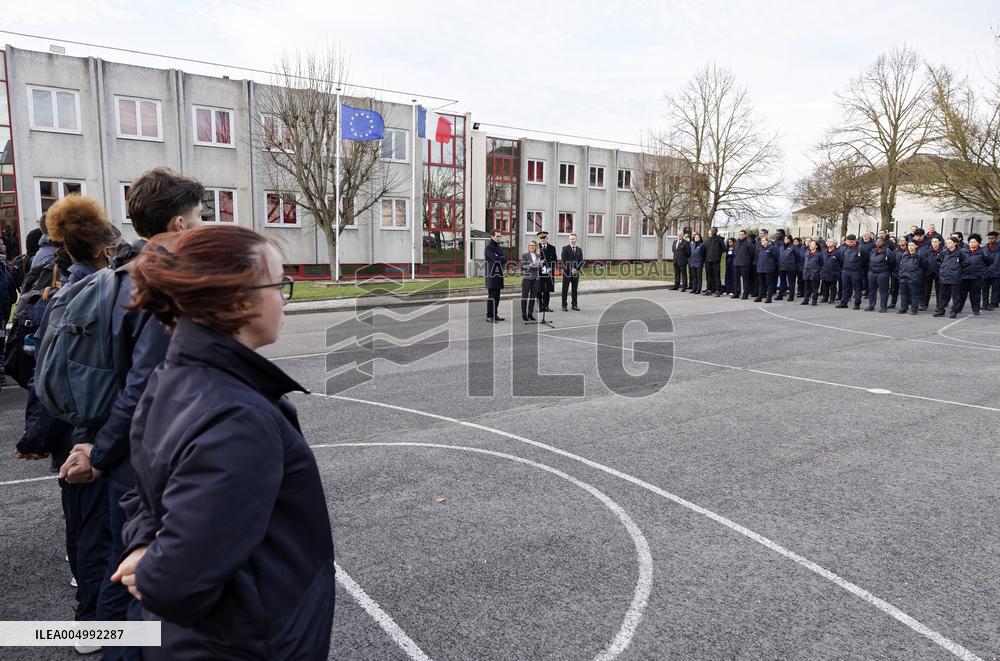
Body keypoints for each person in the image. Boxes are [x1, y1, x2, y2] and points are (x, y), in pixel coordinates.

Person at [108, 225, 335, 660]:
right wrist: (151, 567)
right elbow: (177, 581)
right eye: (278, 285)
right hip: (242, 644)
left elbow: (146, 491)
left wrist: (142, 545)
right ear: (238, 301)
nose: (285, 299)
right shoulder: (237, 419)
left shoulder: (174, 376)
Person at [52, 169, 205, 661]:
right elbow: (144, 386)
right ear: (179, 224)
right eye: (200, 216)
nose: (202, 225)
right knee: (139, 580)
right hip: (143, 455)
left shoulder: (120, 274)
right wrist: (101, 453)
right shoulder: (159, 281)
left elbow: (107, 373)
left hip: (118, 447)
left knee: (119, 566)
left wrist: (93, 441)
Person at [16, 196, 120, 653]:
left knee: (80, 525)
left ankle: (88, 616)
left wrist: (37, 434)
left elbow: (38, 373)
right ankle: (93, 622)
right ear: (105, 250)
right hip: (95, 428)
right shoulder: (103, 294)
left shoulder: (58, 292)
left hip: (66, 426)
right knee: (101, 529)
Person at [955, 233, 991, 316]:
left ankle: (976, 309)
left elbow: (988, 262)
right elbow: (959, 262)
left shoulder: (983, 252)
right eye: (970, 242)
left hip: (976, 277)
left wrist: (981, 271)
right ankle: (958, 308)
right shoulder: (963, 251)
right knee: (961, 294)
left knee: (975, 294)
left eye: (974, 242)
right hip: (964, 276)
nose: (972, 244)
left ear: (978, 243)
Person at [934, 237, 965, 318]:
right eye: (946, 243)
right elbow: (938, 260)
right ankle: (941, 310)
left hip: (955, 277)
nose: (947, 244)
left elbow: (965, 262)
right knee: (942, 295)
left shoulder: (960, 252)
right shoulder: (944, 252)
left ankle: (954, 311)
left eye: (949, 242)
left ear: (955, 243)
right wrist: (943, 268)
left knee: (955, 296)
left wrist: (957, 268)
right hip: (944, 276)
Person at [836, 234, 866, 310]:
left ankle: (857, 303)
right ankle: (844, 302)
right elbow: (842, 259)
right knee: (845, 287)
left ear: (855, 241)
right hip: (846, 270)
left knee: (857, 288)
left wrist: (859, 267)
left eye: (852, 241)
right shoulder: (845, 249)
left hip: (856, 271)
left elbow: (865, 260)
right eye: (849, 241)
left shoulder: (860, 249)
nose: (850, 243)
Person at [865, 237, 895, 312]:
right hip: (872, 273)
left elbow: (892, 263)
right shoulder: (873, 250)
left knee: (883, 291)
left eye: (880, 241)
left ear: (884, 243)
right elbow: (869, 261)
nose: (878, 243)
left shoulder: (888, 251)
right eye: (877, 242)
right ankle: (871, 306)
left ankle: (883, 307)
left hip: (883, 273)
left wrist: (887, 271)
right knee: (872, 290)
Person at [896, 241, 925, 315]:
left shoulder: (919, 256)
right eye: (909, 245)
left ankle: (914, 309)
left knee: (914, 295)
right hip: (903, 278)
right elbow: (900, 266)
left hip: (914, 278)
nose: (910, 247)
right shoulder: (904, 255)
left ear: (916, 246)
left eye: (912, 245)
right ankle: (903, 308)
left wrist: (918, 275)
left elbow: (925, 266)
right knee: (903, 294)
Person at [484, 228, 506, 323]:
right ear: (492, 236)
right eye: (497, 236)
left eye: (500, 236)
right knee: (492, 296)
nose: (499, 238)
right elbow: (495, 259)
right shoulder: (489, 247)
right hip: (492, 276)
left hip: (499, 275)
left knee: (497, 296)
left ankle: (495, 314)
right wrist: (500, 257)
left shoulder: (498, 247)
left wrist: (500, 257)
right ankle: (489, 316)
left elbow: (504, 258)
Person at [560, 233, 583, 311]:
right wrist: (571, 269)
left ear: (576, 240)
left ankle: (574, 305)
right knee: (565, 289)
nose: (572, 240)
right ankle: (564, 305)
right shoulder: (565, 248)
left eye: (573, 239)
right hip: (567, 272)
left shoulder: (579, 249)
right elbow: (564, 261)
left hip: (576, 273)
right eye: (570, 239)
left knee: (574, 289)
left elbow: (581, 261)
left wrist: (576, 269)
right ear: (569, 240)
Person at [520, 240, 542, 321]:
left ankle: (530, 314)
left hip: (536, 279)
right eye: (530, 245)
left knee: (533, 297)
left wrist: (539, 265)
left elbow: (540, 267)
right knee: (525, 297)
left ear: (536, 247)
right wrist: (530, 265)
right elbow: (522, 267)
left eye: (533, 245)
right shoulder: (525, 255)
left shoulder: (538, 255)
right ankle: (524, 314)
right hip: (527, 279)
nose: (531, 247)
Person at [921, 236, 944, 311]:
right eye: (933, 242)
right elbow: (923, 262)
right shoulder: (927, 252)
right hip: (928, 272)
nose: (934, 243)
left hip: (939, 273)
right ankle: (924, 305)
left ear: (939, 242)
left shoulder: (943, 251)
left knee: (939, 291)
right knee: (926, 290)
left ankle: (939, 306)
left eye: (936, 241)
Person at [536, 231, 557, 312]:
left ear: (547, 238)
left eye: (544, 238)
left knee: (547, 289)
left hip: (548, 271)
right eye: (541, 238)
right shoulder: (536, 247)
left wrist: (549, 268)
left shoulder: (552, 248)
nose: (542, 240)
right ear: (539, 239)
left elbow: (554, 259)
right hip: (539, 272)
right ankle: (540, 306)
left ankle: (546, 306)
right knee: (538, 289)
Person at [730, 230, 754, 299]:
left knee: (745, 280)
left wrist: (747, 260)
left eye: (742, 234)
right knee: (736, 280)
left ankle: (745, 294)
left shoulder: (748, 243)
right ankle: (737, 293)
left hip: (744, 264)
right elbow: (734, 252)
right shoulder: (736, 243)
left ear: (745, 235)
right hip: (736, 263)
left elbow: (752, 253)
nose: (741, 235)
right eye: (740, 234)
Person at [753, 236, 778, 303]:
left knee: (769, 283)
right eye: (762, 241)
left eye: (764, 240)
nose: (763, 242)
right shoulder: (760, 248)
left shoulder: (771, 248)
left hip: (768, 268)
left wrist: (771, 264)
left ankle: (769, 298)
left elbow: (775, 257)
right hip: (760, 268)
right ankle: (760, 296)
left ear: (767, 241)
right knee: (761, 283)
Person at [703, 227, 726, 296]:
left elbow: (724, 249)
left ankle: (718, 290)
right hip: (708, 260)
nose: (712, 231)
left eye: (713, 230)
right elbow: (705, 250)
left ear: (716, 231)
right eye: (711, 230)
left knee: (716, 276)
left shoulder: (719, 239)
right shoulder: (708, 240)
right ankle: (709, 289)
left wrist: (718, 254)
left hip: (716, 260)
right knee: (709, 276)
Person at [800, 239, 823, 306]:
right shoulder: (807, 253)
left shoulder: (819, 254)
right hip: (807, 273)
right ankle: (806, 300)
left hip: (815, 274)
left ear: (816, 246)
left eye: (813, 244)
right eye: (810, 244)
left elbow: (821, 264)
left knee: (814, 288)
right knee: (806, 288)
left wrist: (818, 271)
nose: (811, 245)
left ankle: (814, 301)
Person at [819, 238, 842, 304]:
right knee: (825, 286)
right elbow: (821, 261)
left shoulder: (838, 252)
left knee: (833, 286)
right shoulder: (824, 251)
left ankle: (832, 299)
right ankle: (825, 298)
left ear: (834, 244)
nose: (828, 242)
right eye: (827, 241)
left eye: (830, 241)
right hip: (824, 271)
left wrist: (837, 270)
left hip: (833, 272)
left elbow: (841, 262)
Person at [776, 235, 797, 302]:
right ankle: (780, 295)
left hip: (790, 267)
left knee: (791, 282)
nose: (785, 240)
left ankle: (791, 296)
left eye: (787, 239)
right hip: (781, 267)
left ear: (790, 239)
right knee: (782, 282)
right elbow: (779, 256)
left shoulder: (793, 247)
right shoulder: (781, 247)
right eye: (784, 239)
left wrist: (792, 263)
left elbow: (797, 256)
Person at [984, 231, 1000, 311]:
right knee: (985, 289)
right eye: (989, 238)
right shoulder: (984, 248)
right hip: (986, 272)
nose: (990, 240)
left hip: (997, 272)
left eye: (992, 238)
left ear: (996, 238)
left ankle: (993, 304)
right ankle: (985, 304)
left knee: (995, 290)